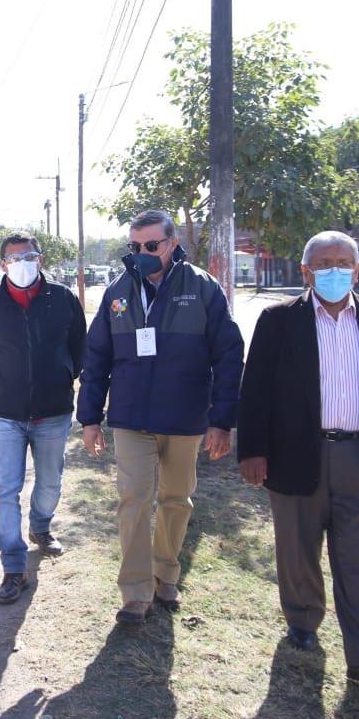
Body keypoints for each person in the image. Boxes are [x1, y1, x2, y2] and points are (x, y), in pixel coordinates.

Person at [237, 230, 359, 689]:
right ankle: (302, 621)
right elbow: (255, 390)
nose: (334, 270)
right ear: (306, 271)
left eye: (343, 263)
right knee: (297, 551)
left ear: (358, 271)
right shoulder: (278, 320)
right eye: (324, 263)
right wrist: (252, 451)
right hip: (297, 454)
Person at [76, 209, 243, 624]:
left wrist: (222, 420)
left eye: (151, 245)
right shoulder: (118, 291)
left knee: (176, 499)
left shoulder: (202, 288)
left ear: (171, 244)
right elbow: (96, 356)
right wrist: (91, 418)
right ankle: (135, 592)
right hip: (131, 418)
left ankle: (165, 573)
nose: (143, 253)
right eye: (135, 247)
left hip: (185, 417)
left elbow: (228, 355)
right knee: (133, 500)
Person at [0, 231, 86, 604]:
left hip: (53, 412)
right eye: (14, 258)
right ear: (2, 264)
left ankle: (40, 526)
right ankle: (13, 567)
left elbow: (80, 347)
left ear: (41, 259)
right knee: (4, 489)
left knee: (50, 482)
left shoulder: (63, 300)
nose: (22, 264)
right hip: (5, 413)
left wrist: (65, 373)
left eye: (29, 256)